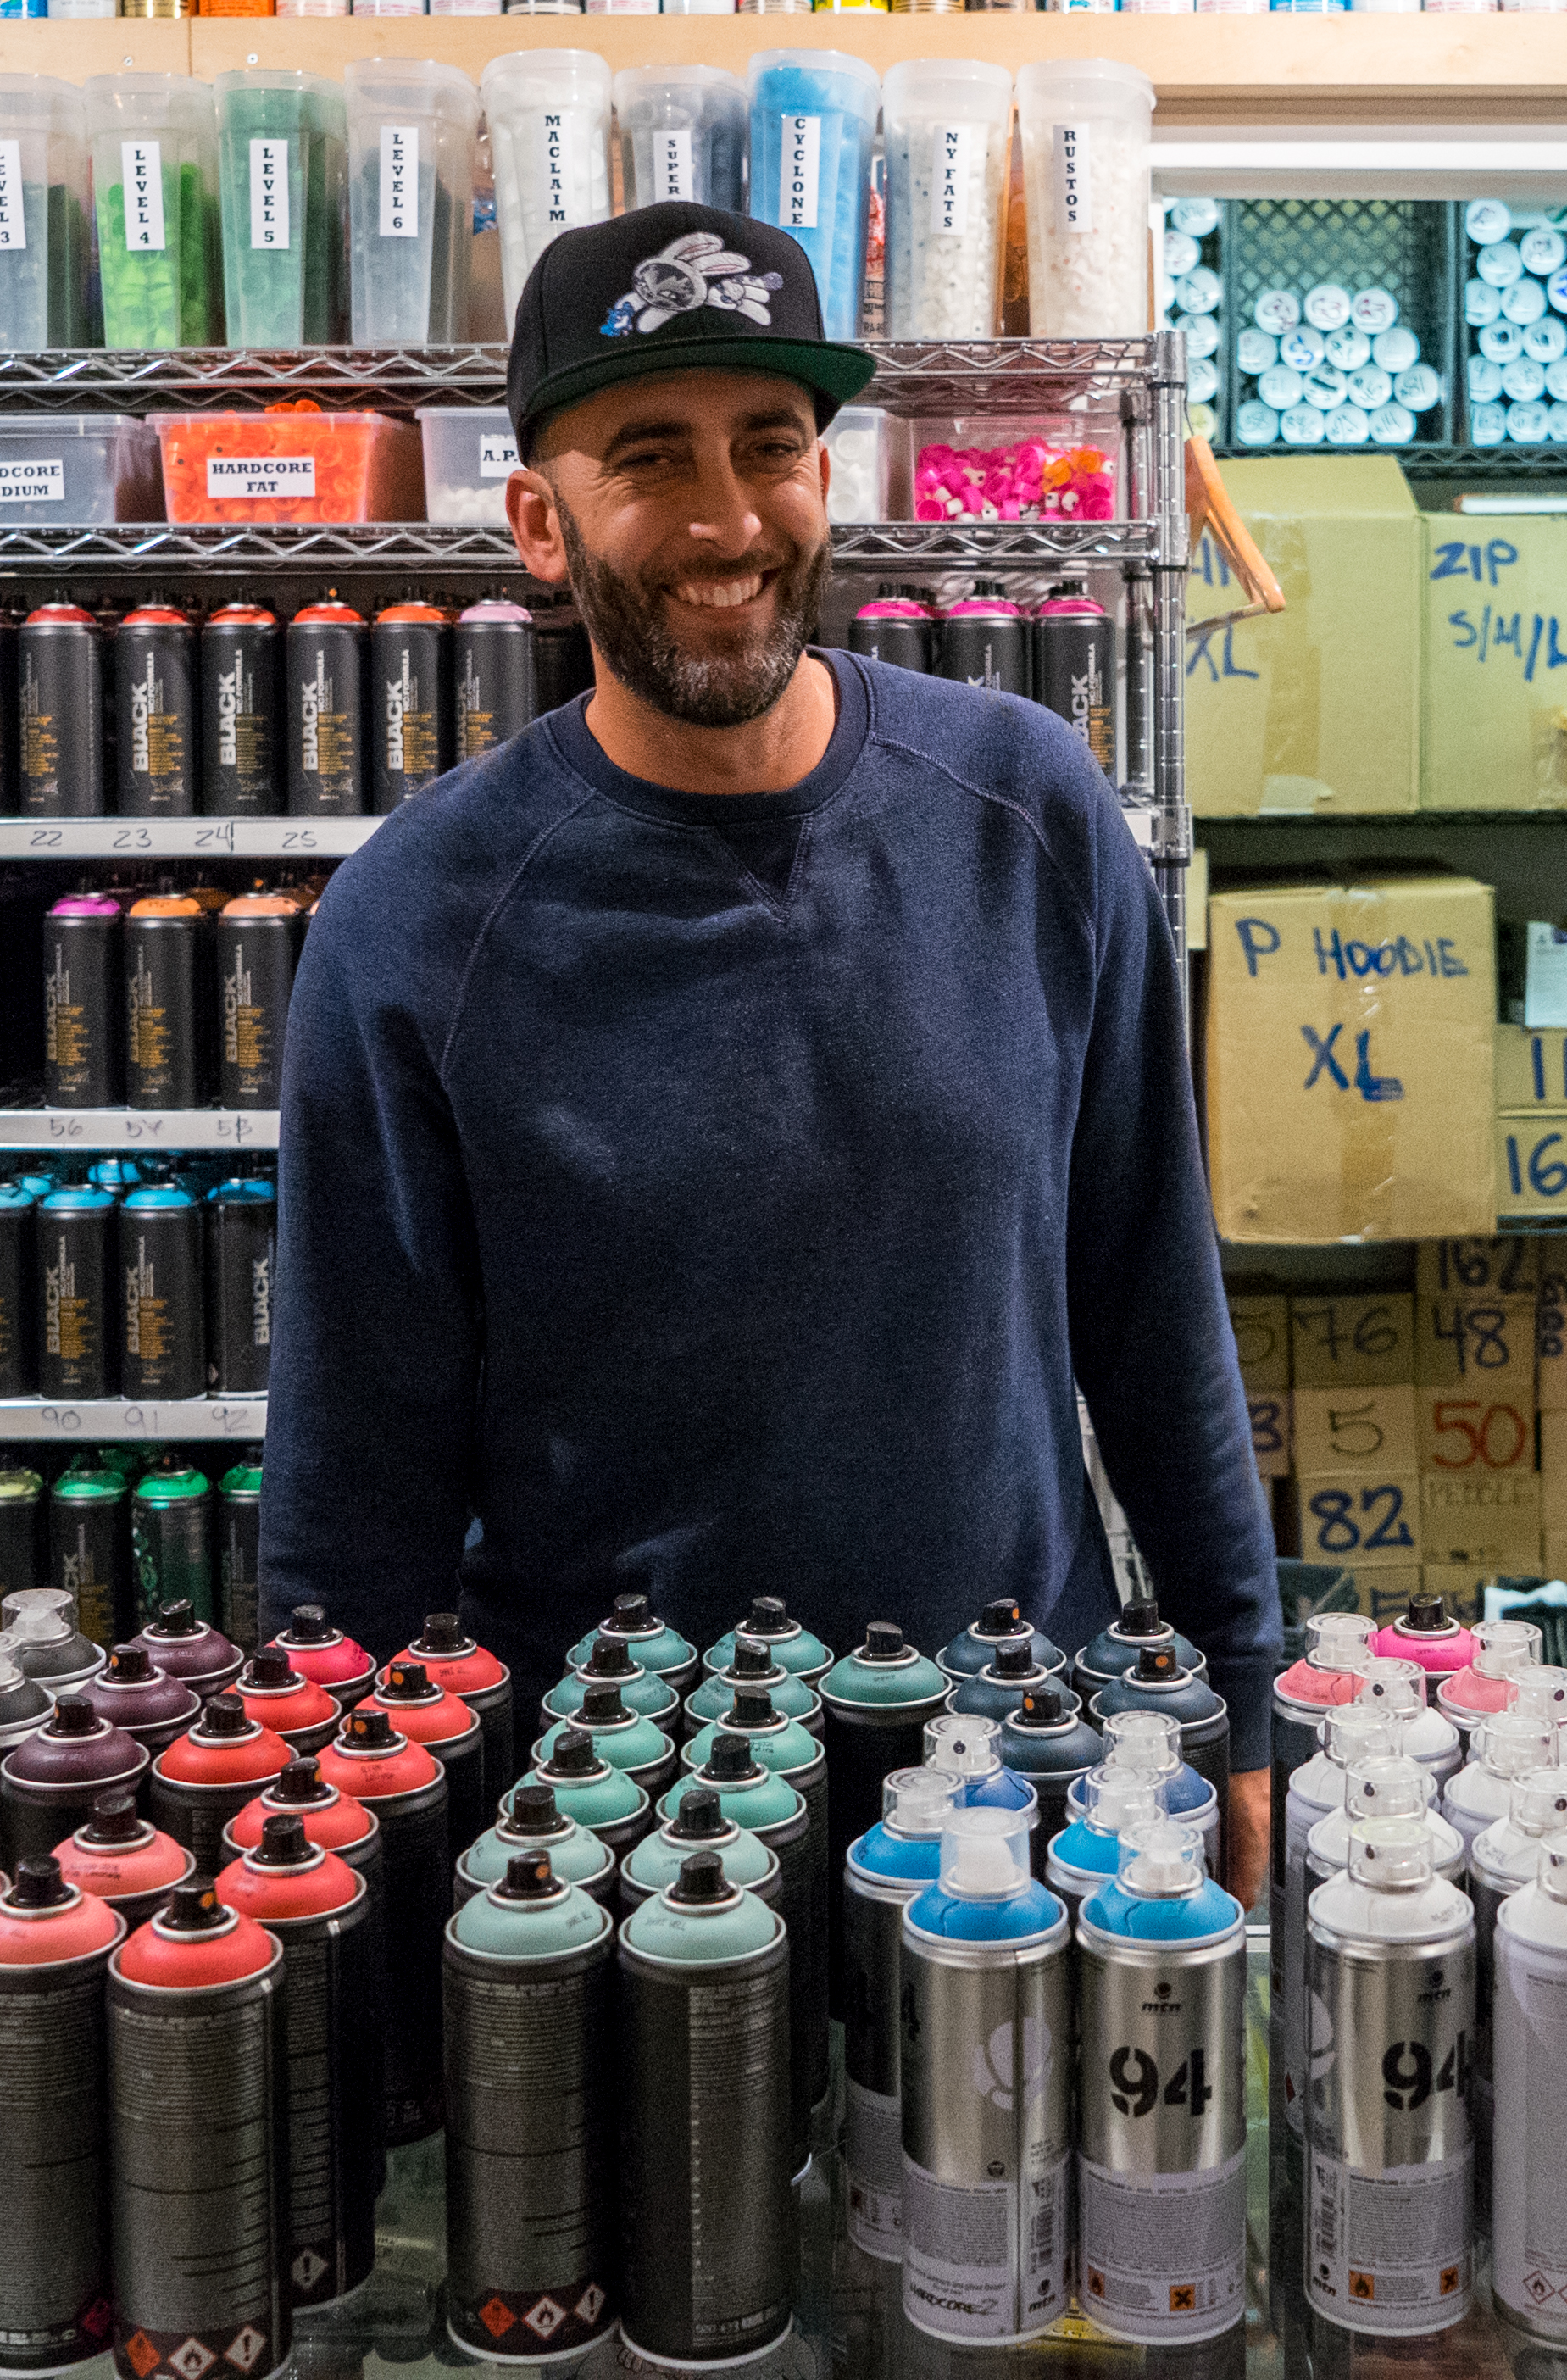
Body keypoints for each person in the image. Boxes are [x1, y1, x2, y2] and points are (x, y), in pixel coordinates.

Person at [260, 203, 1282, 1901]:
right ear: (537, 523)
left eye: (771, 445)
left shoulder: (1026, 813)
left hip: (1018, 1786)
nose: (726, 515)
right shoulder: (417, 922)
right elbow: (354, 1477)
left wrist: (1239, 1702)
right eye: (649, 455)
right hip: (610, 1833)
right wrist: (333, 1859)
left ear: (830, 474)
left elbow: (1153, 1303)